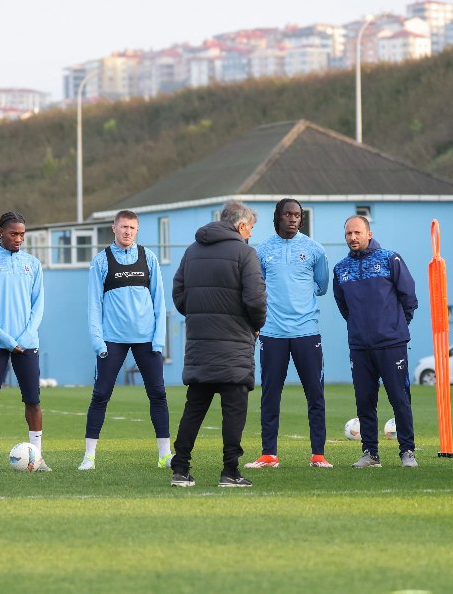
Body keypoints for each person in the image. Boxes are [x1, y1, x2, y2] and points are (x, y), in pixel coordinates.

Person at [169, 201, 266, 488]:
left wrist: (199, 314)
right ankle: (230, 472)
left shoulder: (192, 251)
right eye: (250, 228)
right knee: (234, 410)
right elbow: (256, 300)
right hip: (234, 345)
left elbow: (179, 294)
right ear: (241, 225)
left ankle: (180, 469)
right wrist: (255, 325)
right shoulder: (245, 253)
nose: (250, 234)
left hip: (200, 345)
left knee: (194, 408)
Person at [79, 210, 170, 470]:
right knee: (100, 395)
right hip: (112, 340)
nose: (127, 231)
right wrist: (98, 342)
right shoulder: (101, 261)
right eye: (123, 227)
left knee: (158, 395)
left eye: (131, 227)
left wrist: (158, 340)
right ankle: (89, 457)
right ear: (114, 228)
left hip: (146, 340)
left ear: (137, 229)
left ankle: (165, 455)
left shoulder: (148, 257)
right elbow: (94, 305)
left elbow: (159, 300)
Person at [246, 199, 332, 470]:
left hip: (307, 332)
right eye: (288, 214)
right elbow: (258, 287)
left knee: (315, 394)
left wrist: (300, 296)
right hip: (272, 332)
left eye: (297, 215)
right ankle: (269, 454)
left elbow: (321, 286)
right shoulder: (262, 250)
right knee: (270, 394)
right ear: (278, 217)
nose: (293, 219)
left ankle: (318, 454)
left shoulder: (315, 250)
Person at [333, 215, 419, 469]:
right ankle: (370, 453)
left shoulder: (390, 259)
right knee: (364, 400)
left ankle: (407, 451)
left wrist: (395, 325)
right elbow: (343, 306)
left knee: (399, 398)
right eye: (348, 234)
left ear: (369, 234)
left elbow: (409, 297)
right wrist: (359, 327)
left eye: (357, 233)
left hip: (391, 343)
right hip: (360, 346)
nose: (353, 237)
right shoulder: (341, 268)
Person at [0, 211, 48, 473]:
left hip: (27, 343)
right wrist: (5, 338)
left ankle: (37, 457)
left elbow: (38, 304)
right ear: (1, 232)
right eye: (13, 233)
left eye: (22, 234)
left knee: (33, 401)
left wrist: (26, 336)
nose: (18, 239)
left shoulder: (33, 264)